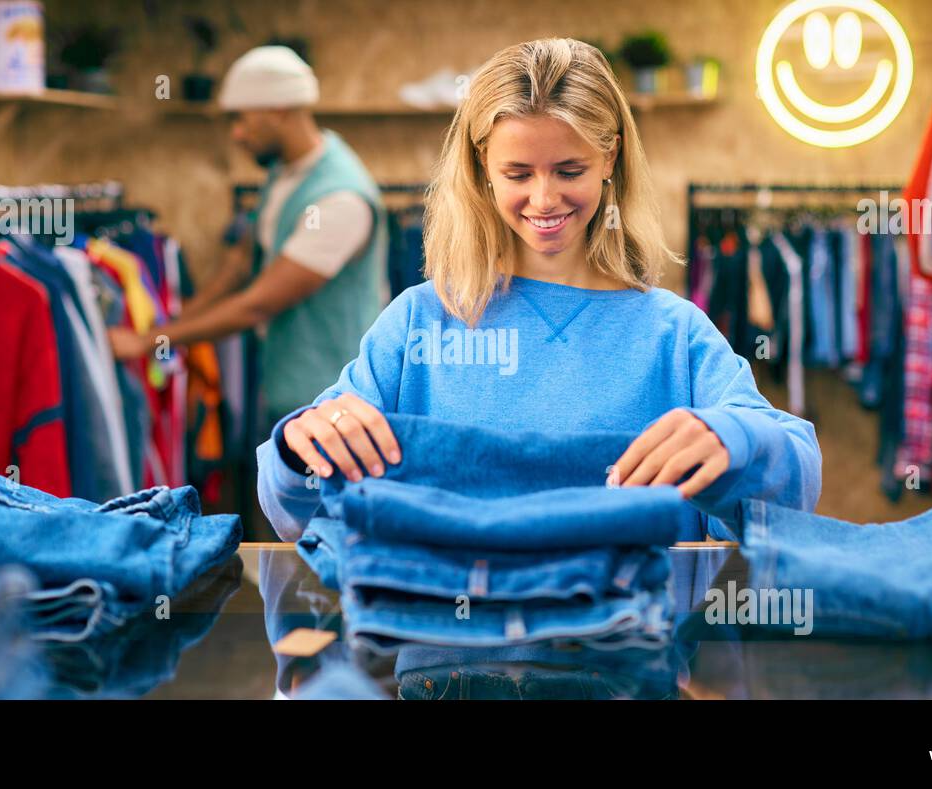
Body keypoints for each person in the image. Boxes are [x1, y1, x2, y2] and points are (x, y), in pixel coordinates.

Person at [257, 38, 822, 541]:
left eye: (569, 170)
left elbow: (794, 485)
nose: (545, 199)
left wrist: (733, 441)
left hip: (629, 653)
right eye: (519, 174)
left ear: (611, 156)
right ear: (483, 166)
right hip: (443, 652)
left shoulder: (673, 334)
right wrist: (299, 449)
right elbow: (298, 513)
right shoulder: (419, 323)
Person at [109, 45, 387, 427]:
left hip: (333, 405)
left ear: (279, 110)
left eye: (241, 118)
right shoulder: (287, 171)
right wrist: (177, 318)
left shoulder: (339, 200)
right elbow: (241, 261)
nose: (236, 134)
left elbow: (257, 303)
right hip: (286, 387)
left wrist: (149, 341)